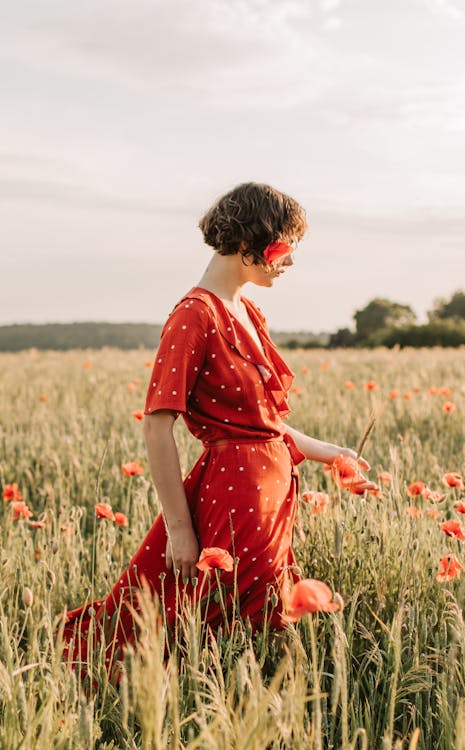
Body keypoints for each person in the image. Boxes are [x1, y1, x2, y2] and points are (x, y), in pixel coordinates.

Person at [61, 182, 375, 689]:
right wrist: (180, 529)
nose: (290, 262)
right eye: (285, 246)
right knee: (215, 623)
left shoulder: (248, 312)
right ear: (252, 241)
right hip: (233, 496)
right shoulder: (194, 317)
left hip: (271, 494)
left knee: (258, 626)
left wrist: (330, 453)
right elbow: (159, 426)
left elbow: (263, 425)